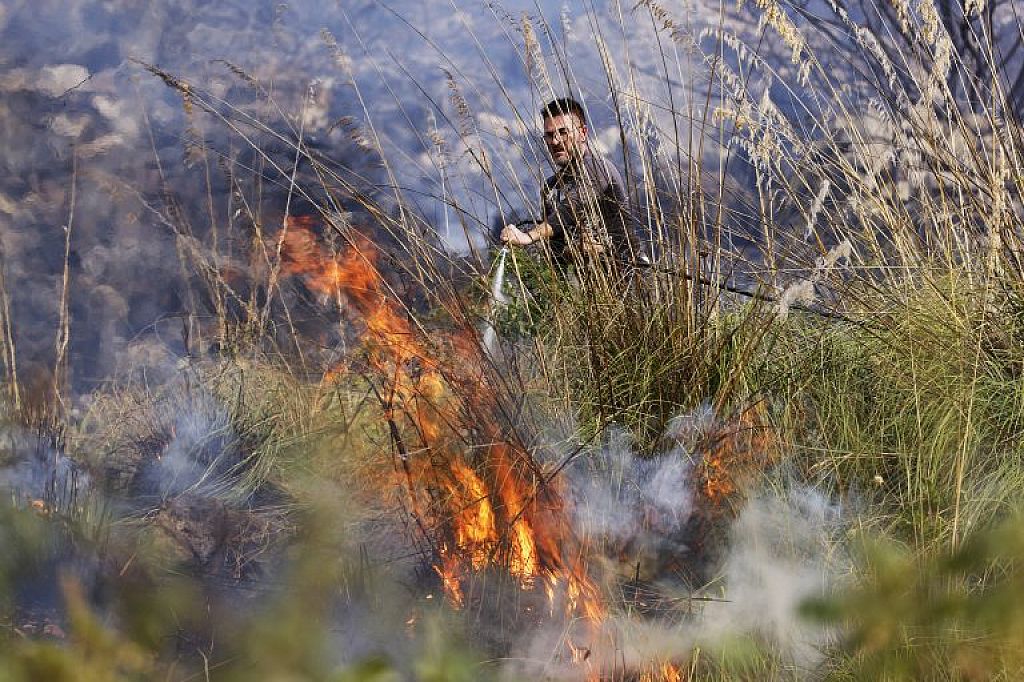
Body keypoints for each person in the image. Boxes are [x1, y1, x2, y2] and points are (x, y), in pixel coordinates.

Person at [499, 97, 645, 272]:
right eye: (550, 135)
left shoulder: (598, 167)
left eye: (563, 132)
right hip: (583, 292)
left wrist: (528, 237)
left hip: (628, 281)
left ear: (583, 133)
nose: (555, 141)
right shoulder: (551, 188)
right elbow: (554, 253)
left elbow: (573, 205)